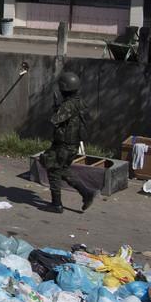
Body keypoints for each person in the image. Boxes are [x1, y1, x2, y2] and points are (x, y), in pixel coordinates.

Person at [42, 71, 96, 213]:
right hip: (73, 145)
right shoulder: (81, 103)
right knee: (62, 169)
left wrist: (56, 109)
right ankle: (86, 193)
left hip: (63, 145)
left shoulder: (68, 105)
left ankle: (56, 204)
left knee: (52, 168)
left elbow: (55, 120)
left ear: (63, 88)